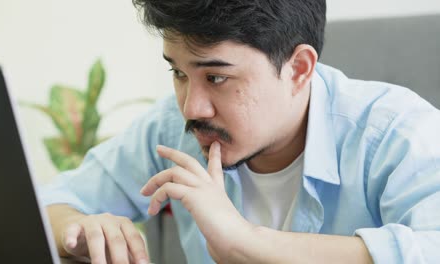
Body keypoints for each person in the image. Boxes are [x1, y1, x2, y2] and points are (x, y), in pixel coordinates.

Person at [42, 0, 440, 263]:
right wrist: (79, 229)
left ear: (298, 69)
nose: (191, 107)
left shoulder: (396, 132)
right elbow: (52, 205)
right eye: (178, 73)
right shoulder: (169, 128)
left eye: (216, 77)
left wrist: (246, 242)